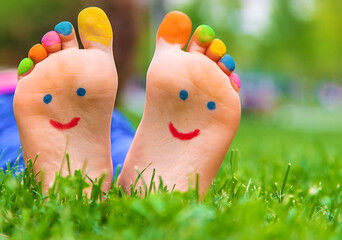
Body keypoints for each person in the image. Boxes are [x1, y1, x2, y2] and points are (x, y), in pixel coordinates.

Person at [4, 7, 242, 196]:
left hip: (26, 105)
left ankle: (66, 185)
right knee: (120, 141)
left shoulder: (33, 82)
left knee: (12, 141)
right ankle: (144, 179)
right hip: (104, 117)